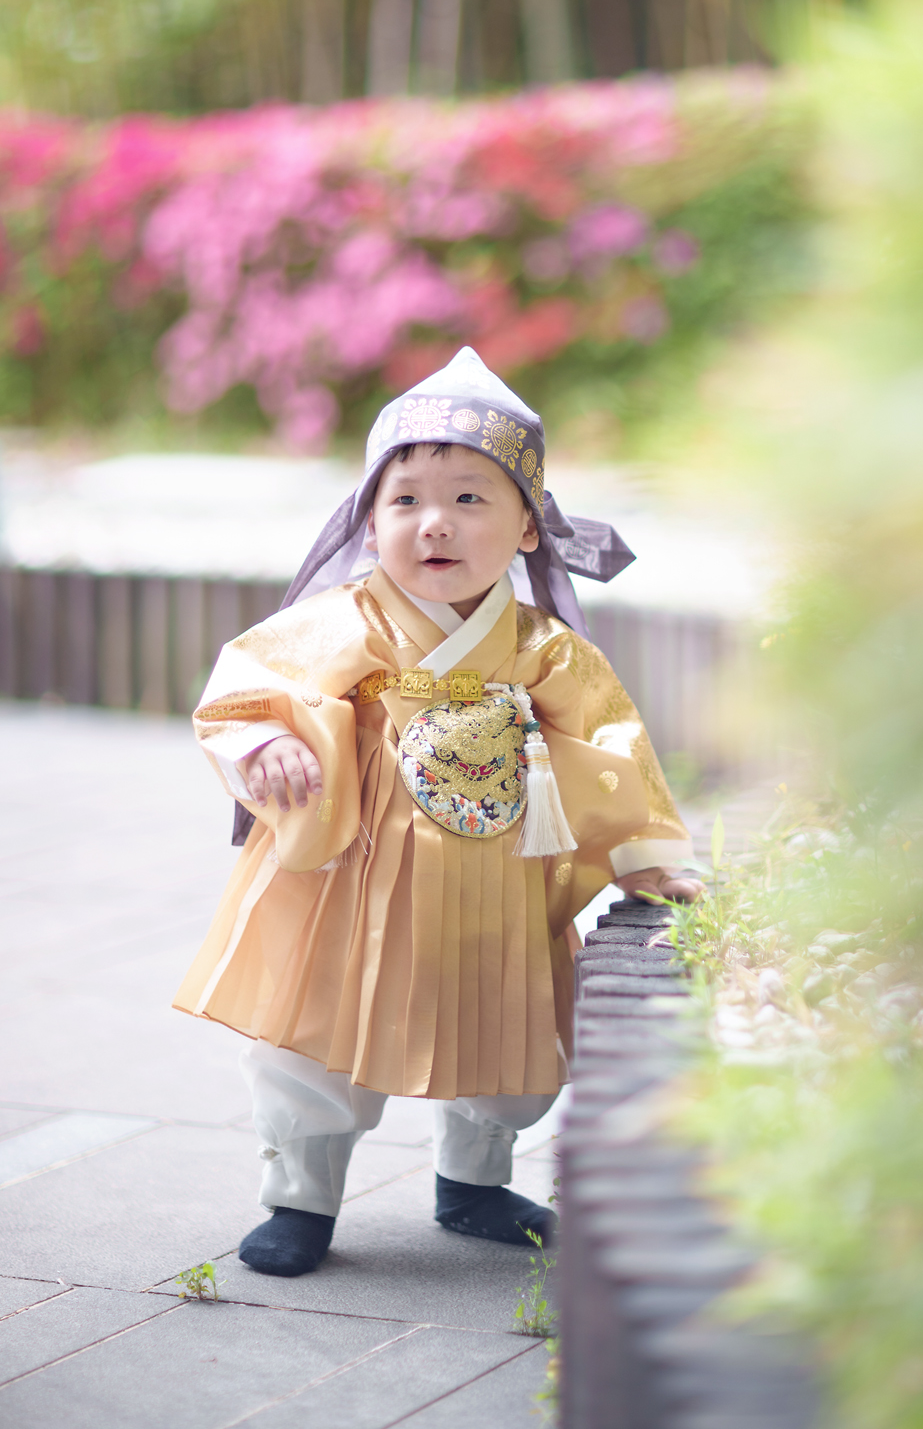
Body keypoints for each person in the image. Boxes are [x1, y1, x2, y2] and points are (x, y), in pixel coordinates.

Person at [174, 347, 701, 1278]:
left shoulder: (545, 650)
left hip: (499, 879)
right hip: (353, 876)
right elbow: (245, 687)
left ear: (528, 526)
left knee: (506, 1032)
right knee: (317, 1040)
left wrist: (642, 857)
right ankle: (301, 1195)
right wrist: (267, 743)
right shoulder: (347, 622)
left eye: (468, 497)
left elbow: (612, 746)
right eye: (405, 499)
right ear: (368, 521)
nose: (435, 523)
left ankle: (475, 1179)